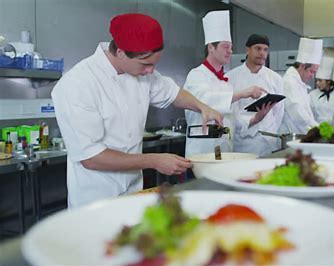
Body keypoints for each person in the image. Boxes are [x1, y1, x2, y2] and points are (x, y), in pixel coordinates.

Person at [51, 13, 223, 208]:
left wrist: (203, 107)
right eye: (146, 64)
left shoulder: (142, 74)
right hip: (95, 199)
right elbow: (91, 158)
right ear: (121, 52)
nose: (151, 71)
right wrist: (154, 161)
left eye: (154, 64)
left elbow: (173, 93)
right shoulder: (78, 84)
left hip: (134, 192)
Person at [184, 11, 266, 156]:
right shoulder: (196, 75)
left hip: (224, 151)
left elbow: (232, 119)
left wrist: (256, 118)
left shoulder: (225, 83)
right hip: (202, 152)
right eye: (225, 47)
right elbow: (204, 101)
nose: (230, 51)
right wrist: (243, 93)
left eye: (231, 47)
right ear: (211, 47)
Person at [227, 34, 284, 156]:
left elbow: (279, 113)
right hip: (243, 144)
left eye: (265, 50)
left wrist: (269, 128)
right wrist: (252, 121)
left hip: (269, 143)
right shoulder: (231, 78)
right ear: (247, 50)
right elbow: (231, 114)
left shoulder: (275, 78)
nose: (262, 53)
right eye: (258, 48)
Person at [280, 37, 323, 134]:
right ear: (302, 66)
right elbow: (297, 113)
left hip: (300, 134)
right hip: (291, 135)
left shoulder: (300, 84)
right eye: (311, 71)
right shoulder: (289, 82)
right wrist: (318, 129)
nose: (312, 76)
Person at [310, 56, 334, 125]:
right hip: (316, 130)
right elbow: (309, 114)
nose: (317, 83)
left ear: (328, 82)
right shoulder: (312, 95)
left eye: (320, 81)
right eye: (316, 80)